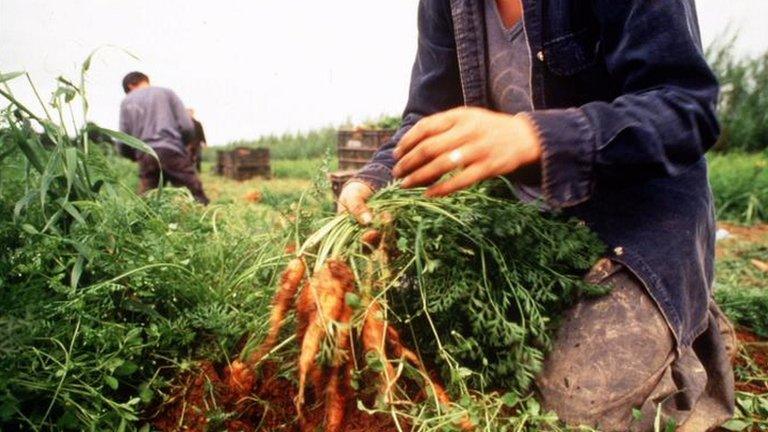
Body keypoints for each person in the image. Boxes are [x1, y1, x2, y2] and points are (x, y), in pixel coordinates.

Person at [337, 0, 735, 430]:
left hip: (634, 222)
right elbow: (426, 115)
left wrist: (535, 135)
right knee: (427, 341)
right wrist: (374, 180)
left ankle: (684, 317)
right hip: (521, 227)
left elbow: (686, 108)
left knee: (574, 410)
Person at [118, 71, 209, 204]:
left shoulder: (126, 101)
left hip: (145, 154)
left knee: (147, 202)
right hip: (171, 149)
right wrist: (181, 145)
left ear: (130, 86)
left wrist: (135, 155)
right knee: (194, 195)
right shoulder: (166, 93)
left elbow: (123, 138)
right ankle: (202, 222)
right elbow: (187, 126)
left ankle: (144, 222)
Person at [184, 108, 207, 172]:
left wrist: (204, 142)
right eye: (188, 113)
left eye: (190, 113)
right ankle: (189, 170)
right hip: (188, 143)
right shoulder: (184, 124)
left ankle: (198, 170)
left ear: (193, 114)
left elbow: (201, 133)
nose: (189, 114)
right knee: (189, 157)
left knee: (198, 157)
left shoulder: (198, 124)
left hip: (197, 143)